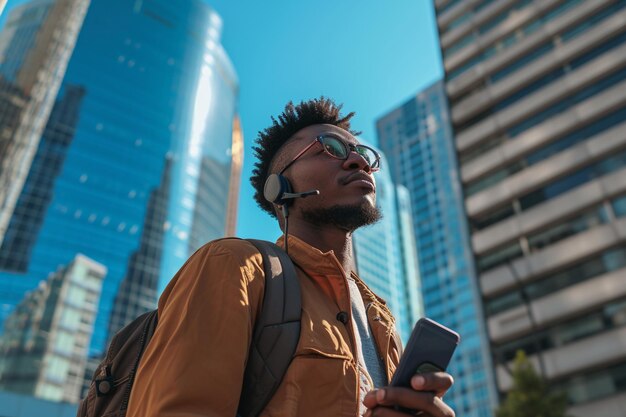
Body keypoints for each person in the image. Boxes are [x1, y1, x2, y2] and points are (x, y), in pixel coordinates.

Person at [126, 98, 455, 417]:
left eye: (363, 153)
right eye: (331, 147)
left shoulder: (382, 322)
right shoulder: (235, 266)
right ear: (279, 187)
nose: (359, 161)